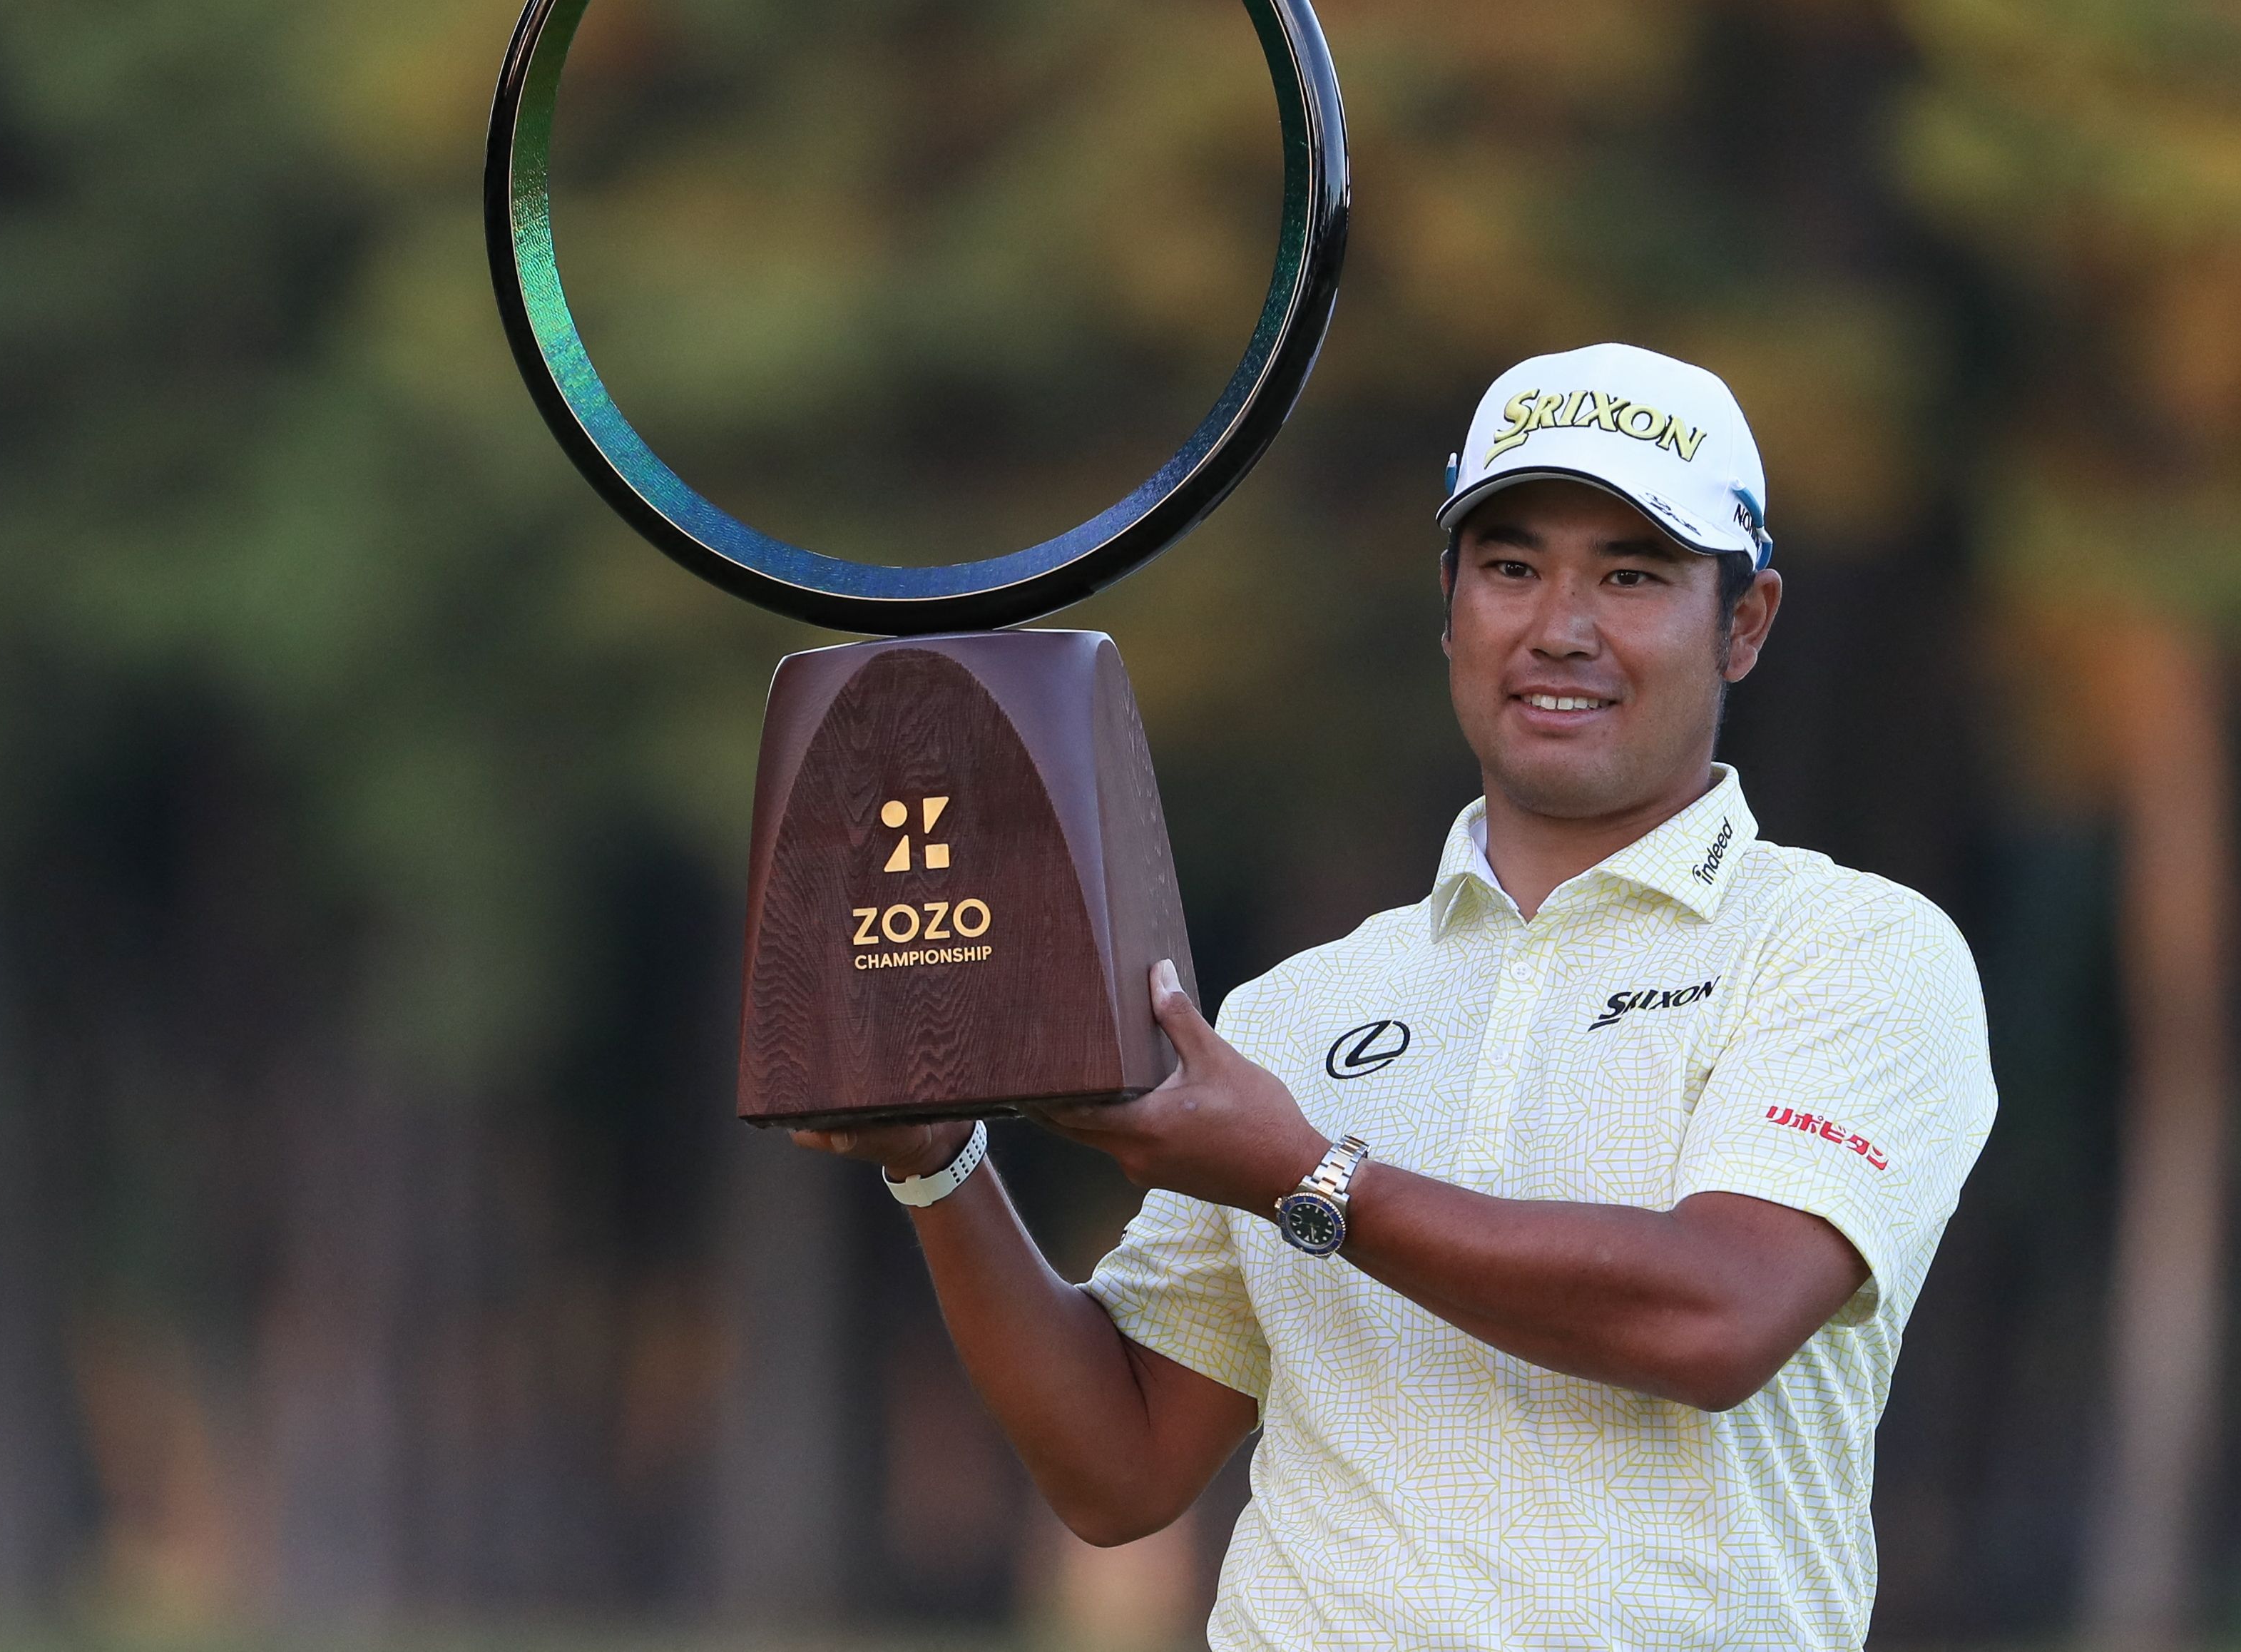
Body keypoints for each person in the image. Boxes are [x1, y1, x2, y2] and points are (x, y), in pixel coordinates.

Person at [795, 343, 1997, 1649]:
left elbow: (1720, 1314)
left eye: (1633, 574)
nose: (1560, 626)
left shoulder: (1851, 946)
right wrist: (938, 1162)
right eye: (1512, 566)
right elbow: (1121, 1467)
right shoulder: (1299, 1008)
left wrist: (1306, 1176)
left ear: (1745, 621)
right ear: (1450, 602)